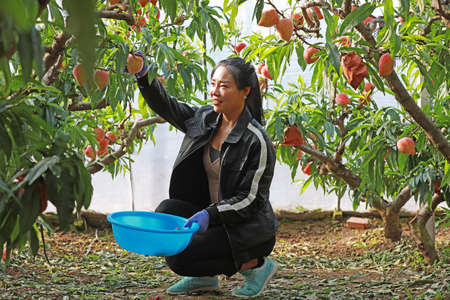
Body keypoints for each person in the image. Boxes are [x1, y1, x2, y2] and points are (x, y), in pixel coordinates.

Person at [134, 55, 278, 298]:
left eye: (224, 86)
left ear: (245, 91)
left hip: (246, 229)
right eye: (213, 84)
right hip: (213, 217)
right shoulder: (205, 120)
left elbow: (252, 200)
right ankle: (205, 278)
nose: (215, 91)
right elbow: (168, 106)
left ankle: (257, 267)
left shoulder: (256, 140)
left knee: (180, 258)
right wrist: (141, 74)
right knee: (166, 211)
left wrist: (209, 214)